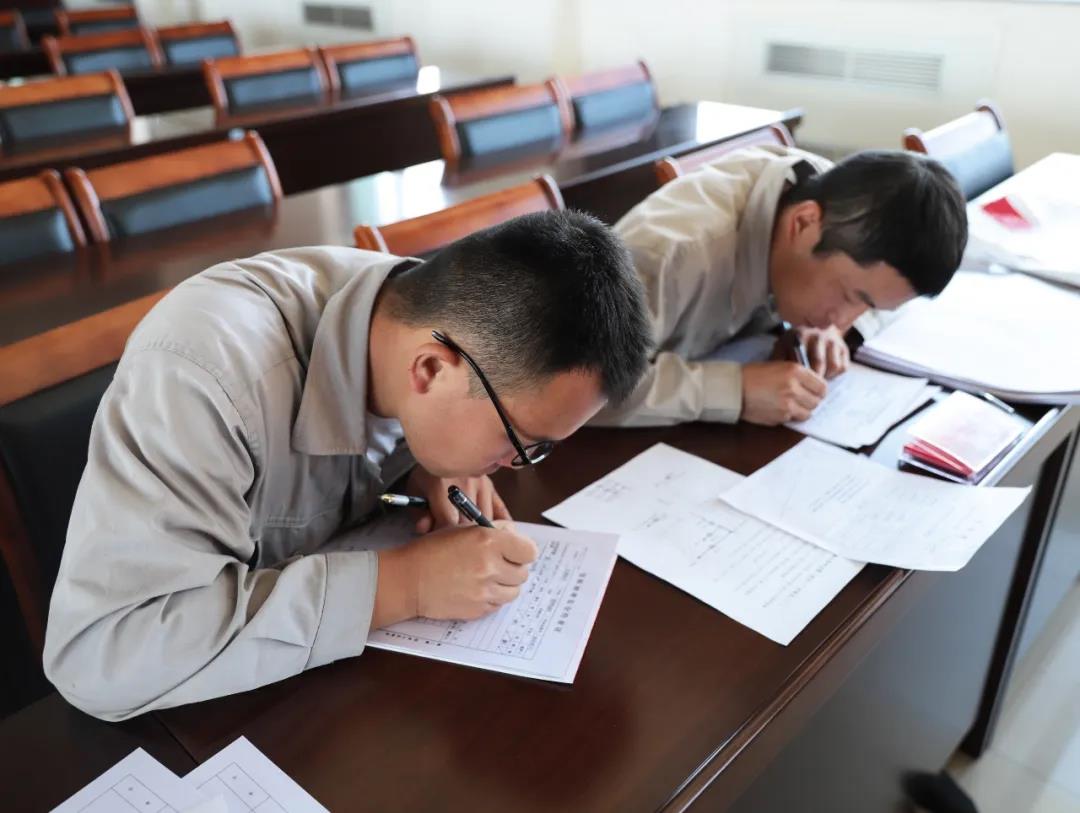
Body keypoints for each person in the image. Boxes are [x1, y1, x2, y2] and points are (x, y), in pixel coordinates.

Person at [44, 211, 651, 721]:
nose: (515, 466)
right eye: (520, 440)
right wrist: (405, 585)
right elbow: (101, 657)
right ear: (431, 370)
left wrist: (425, 461)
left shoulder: (416, 317)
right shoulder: (203, 375)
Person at [593, 146, 968, 427]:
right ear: (803, 224)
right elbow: (580, 387)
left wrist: (824, 329)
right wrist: (735, 390)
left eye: (868, 306)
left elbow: (873, 295)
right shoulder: (669, 251)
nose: (842, 320)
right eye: (849, 296)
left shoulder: (832, 201)